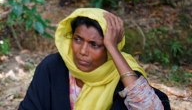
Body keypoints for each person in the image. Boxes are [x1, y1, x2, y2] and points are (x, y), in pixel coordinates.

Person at [19, 8, 170, 110]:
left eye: (94, 45)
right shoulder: (53, 67)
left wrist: (112, 47)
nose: (83, 51)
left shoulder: (122, 78)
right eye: (78, 39)